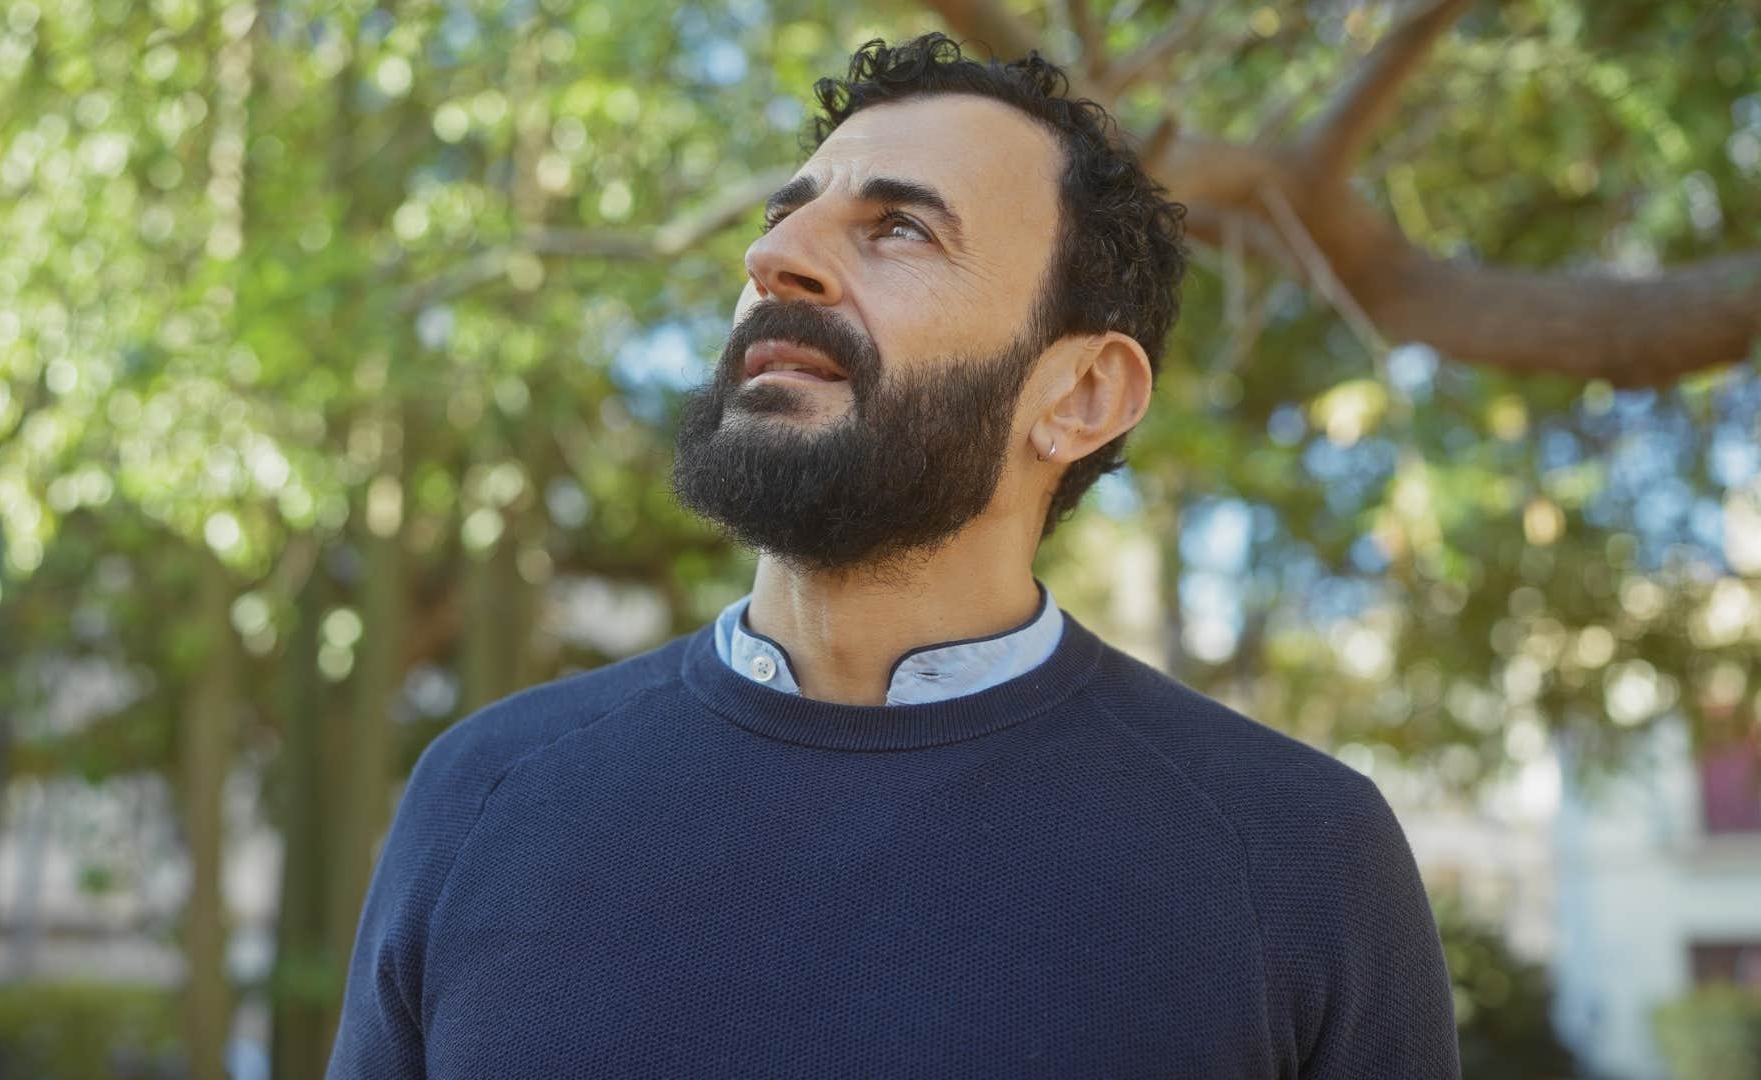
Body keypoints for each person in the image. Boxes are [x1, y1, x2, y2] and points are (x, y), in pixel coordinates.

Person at [329, 32, 1460, 1079]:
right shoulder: (484, 795)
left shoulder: (1301, 856)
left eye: (900, 228)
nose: (775, 258)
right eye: (787, 214)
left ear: (1081, 394)